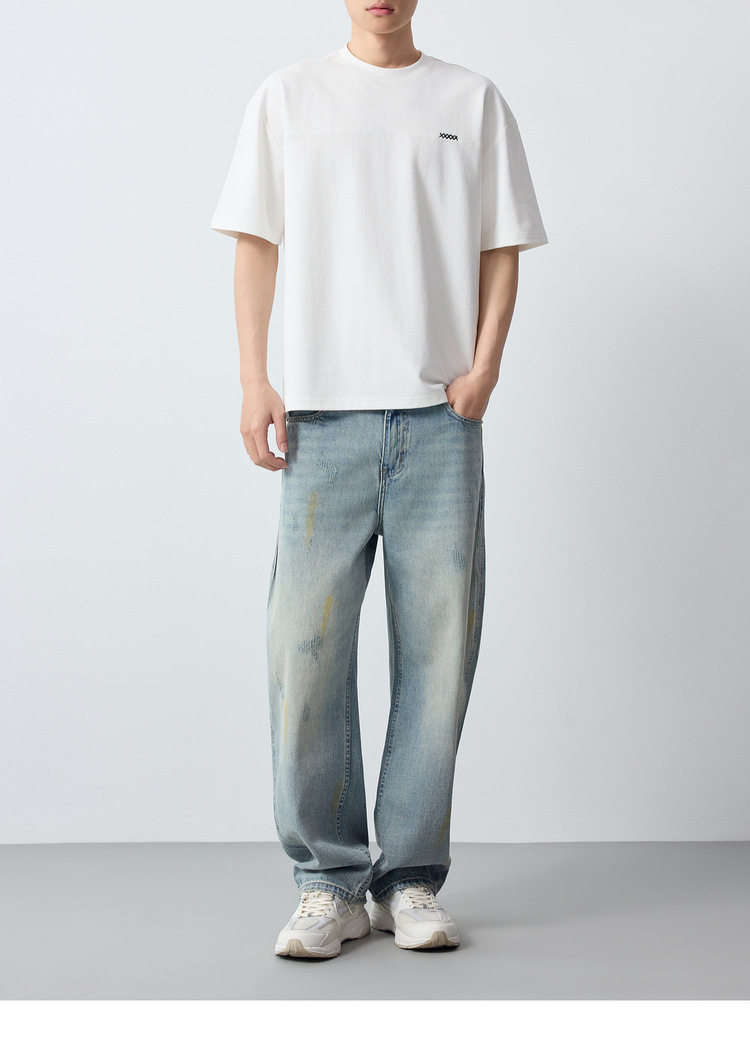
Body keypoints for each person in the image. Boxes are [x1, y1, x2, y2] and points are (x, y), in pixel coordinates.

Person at [210, 0, 548, 959]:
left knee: (437, 656)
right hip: (322, 421)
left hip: (441, 418)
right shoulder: (289, 97)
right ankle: (327, 882)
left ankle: (408, 881)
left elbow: (501, 245)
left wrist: (485, 367)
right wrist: (254, 379)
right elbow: (256, 242)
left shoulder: (470, 101)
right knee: (304, 652)